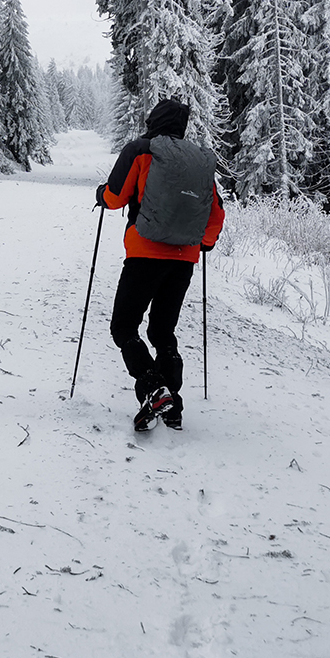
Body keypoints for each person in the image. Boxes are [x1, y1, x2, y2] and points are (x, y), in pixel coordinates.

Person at [94, 97, 224, 431]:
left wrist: (101, 195)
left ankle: (153, 388)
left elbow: (115, 198)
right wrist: (204, 243)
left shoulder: (141, 150)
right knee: (162, 331)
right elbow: (215, 212)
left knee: (124, 327)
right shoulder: (198, 160)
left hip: (144, 254)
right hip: (184, 259)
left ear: (153, 120)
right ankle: (171, 404)